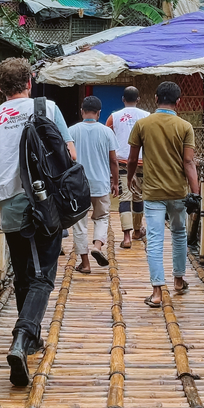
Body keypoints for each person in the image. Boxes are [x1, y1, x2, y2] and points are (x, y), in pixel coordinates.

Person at [0, 57, 76, 386]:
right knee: (43, 277)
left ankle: (28, 339)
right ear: (29, 82)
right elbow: (70, 156)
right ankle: (22, 338)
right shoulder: (45, 108)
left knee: (23, 276)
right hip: (45, 203)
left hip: (9, 208)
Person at [127, 81, 200, 308]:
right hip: (178, 192)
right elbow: (189, 161)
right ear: (178, 102)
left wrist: (130, 178)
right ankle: (178, 280)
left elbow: (132, 159)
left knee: (156, 239)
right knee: (178, 235)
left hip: (153, 192)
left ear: (156, 99)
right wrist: (195, 193)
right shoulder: (185, 126)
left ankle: (157, 292)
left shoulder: (142, 124)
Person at [69, 96, 118, 274]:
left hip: (78, 185)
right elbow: (113, 160)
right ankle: (97, 246)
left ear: (82, 111)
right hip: (101, 183)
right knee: (102, 217)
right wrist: (115, 182)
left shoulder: (71, 131)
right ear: (99, 113)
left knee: (79, 223)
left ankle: (85, 263)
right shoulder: (107, 132)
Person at [106, 86, 150, 248]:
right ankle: (137, 230)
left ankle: (126, 237)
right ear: (138, 100)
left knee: (125, 197)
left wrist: (110, 171)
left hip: (122, 161)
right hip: (141, 162)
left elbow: (109, 142)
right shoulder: (147, 117)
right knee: (138, 197)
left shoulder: (113, 118)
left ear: (123, 99)